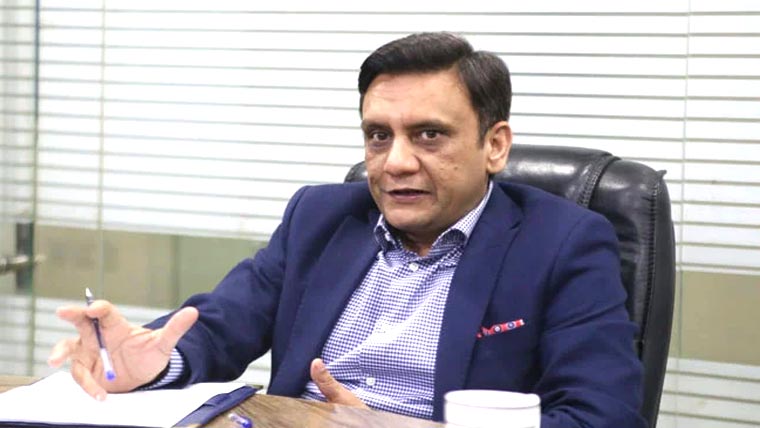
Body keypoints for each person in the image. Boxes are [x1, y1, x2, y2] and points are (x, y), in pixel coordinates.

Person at [48, 32, 645, 427]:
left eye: (429, 135)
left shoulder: (563, 243)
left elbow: (602, 415)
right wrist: (152, 365)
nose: (396, 162)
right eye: (379, 135)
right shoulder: (321, 216)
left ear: (495, 145)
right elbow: (223, 325)